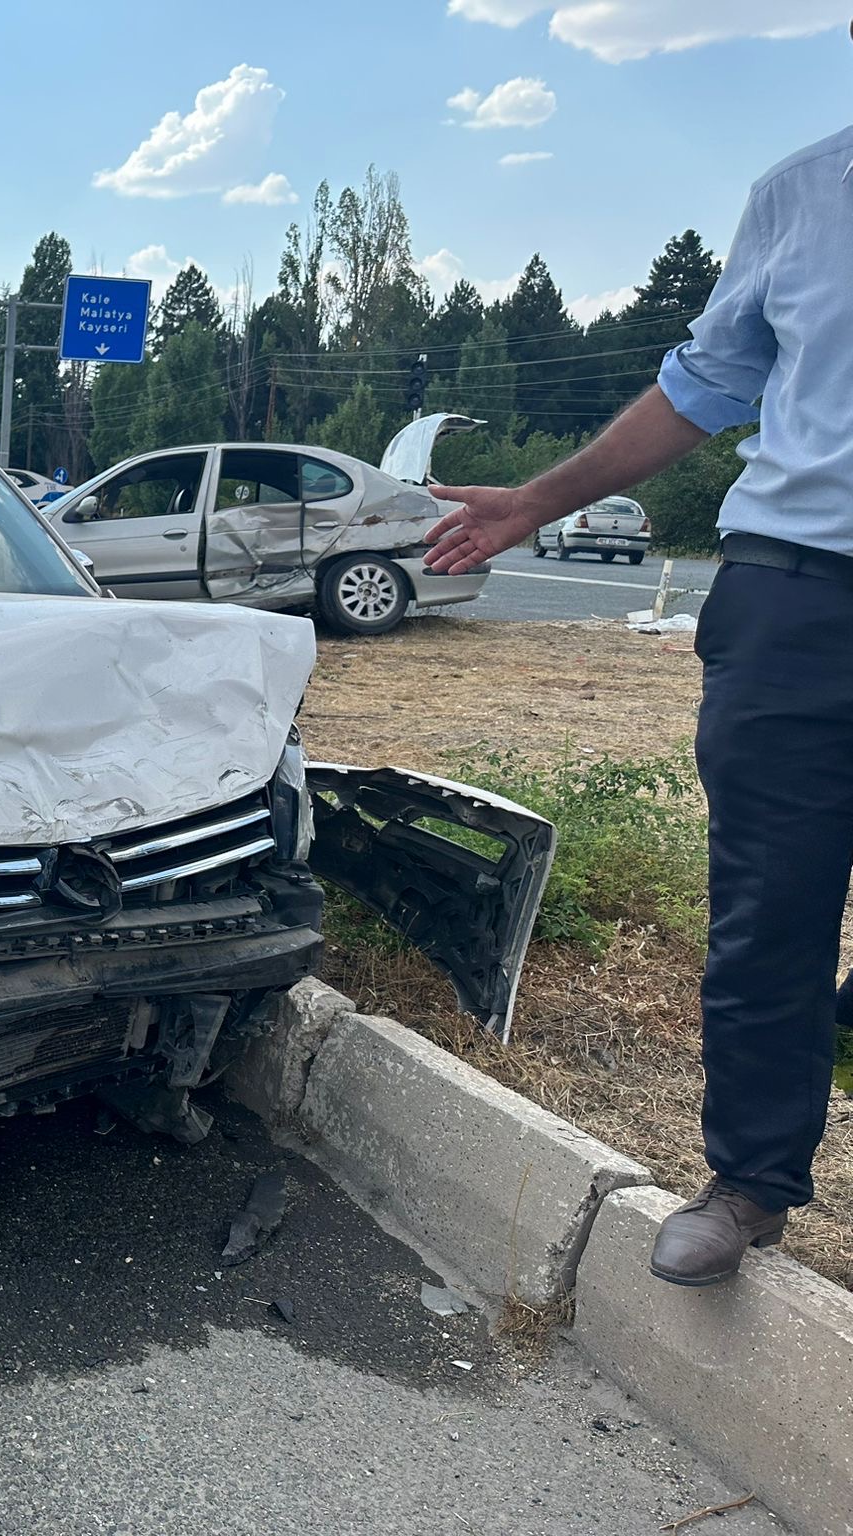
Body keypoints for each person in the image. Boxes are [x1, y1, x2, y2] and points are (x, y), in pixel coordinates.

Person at [424, 118, 853, 1288]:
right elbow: (703, 384)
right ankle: (751, 1183)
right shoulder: (801, 192)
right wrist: (534, 500)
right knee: (769, 904)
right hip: (793, 594)